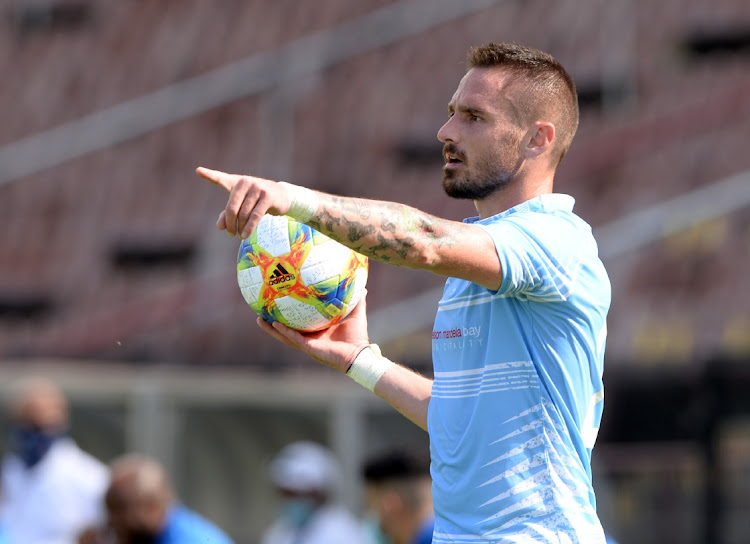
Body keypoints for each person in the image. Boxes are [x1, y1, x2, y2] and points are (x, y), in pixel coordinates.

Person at [198, 42, 611, 543]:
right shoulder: (481, 266)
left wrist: (292, 199)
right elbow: (459, 420)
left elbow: (424, 242)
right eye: (451, 113)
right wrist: (361, 360)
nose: (446, 132)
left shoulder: (556, 239)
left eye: (474, 117)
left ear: (536, 139)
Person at [0, 377, 109, 544]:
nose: (27, 432)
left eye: (35, 425)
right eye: (22, 423)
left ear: (58, 424)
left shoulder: (89, 476)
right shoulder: (11, 470)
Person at [79, 453, 234, 544]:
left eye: (119, 509)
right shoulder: (156, 534)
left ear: (151, 504)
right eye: (109, 509)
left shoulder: (187, 539)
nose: (112, 521)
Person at [260, 441, 368, 544]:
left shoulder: (345, 535)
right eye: (284, 493)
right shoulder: (279, 533)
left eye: (294, 494)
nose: (288, 501)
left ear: (318, 494)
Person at [362, 449, 434, 544]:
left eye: (373, 506)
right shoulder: (442, 533)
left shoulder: (429, 539)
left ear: (391, 504)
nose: (373, 517)